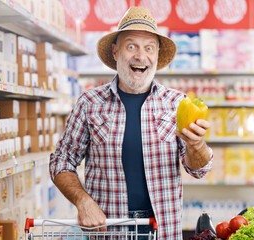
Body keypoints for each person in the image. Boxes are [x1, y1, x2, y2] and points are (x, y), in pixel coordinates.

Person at [49, 6, 213, 240]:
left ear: (156, 55)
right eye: (131, 46)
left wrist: (197, 146)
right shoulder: (89, 103)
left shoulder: (178, 103)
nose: (140, 55)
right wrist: (82, 201)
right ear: (116, 52)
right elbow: (61, 160)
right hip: (109, 229)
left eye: (149, 48)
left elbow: (199, 170)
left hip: (162, 229)